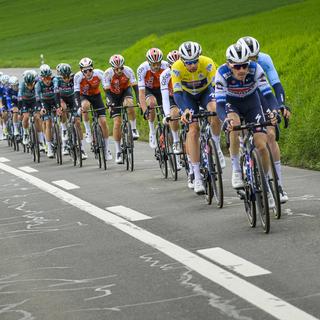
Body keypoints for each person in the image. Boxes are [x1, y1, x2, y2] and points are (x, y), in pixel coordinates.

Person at [215, 42, 279, 208]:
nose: (242, 70)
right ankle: (236, 169)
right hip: (232, 104)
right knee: (234, 125)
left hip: (252, 103)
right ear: (229, 64)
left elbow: (268, 94)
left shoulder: (256, 68)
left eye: (244, 65)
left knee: (261, 145)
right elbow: (220, 105)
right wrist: (225, 120)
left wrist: (274, 111)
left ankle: (265, 185)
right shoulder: (221, 73)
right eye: (237, 67)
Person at [237, 36, 289, 203]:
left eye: (255, 58)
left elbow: (276, 85)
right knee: (242, 130)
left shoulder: (264, 59)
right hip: (242, 96)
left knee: (271, 135)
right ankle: (243, 159)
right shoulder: (236, 64)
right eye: (249, 59)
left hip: (261, 94)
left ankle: (278, 185)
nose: (253, 62)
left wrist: (280, 105)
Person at [171, 41, 224, 194]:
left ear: (199, 57)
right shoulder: (176, 67)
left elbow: (217, 87)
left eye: (195, 61)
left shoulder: (207, 63)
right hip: (187, 96)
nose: (192, 65)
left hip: (205, 92)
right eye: (188, 62)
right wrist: (185, 110)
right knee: (193, 129)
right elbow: (177, 93)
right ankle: (196, 176)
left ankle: (216, 145)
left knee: (214, 110)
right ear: (182, 60)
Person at [103, 54, 139, 164]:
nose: (119, 70)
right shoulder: (107, 74)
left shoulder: (128, 70)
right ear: (112, 67)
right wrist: (110, 103)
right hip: (113, 95)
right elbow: (107, 92)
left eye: (121, 68)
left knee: (130, 104)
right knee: (117, 122)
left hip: (124, 91)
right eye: (116, 69)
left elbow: (135, 88)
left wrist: (138, 100)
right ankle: (118, 151)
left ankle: (133, 129)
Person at [74, 57, 112, 160]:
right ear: (81, 70)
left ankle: (107, 148)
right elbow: (76, 94)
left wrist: (109, 102)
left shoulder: (99, 73)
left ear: (93, 69)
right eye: (85, 70)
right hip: (84, 96)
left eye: (90, 70)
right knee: (85, 106)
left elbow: (107, 90)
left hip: (96, 96)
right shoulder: (77, 77)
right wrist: (78, 107)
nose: (88, 72)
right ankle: (88, 131)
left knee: (103, 122)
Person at [53, 63, 87, 159]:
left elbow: (79, 92)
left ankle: (81, 148)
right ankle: (64, 131)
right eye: (64, 77)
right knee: (63, 108)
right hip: (62, 99)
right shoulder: (57, 80)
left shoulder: (74, 77)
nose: (66, 79)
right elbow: (56, 95)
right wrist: (58, 107)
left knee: (77, 123)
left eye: (68, 76)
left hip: (72, 99)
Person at [137, 48, 169, 148]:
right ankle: (152, 131)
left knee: (167, 114)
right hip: (148, 89)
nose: (156, 66)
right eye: (153, 64)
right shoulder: (142, 69)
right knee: (151, 103)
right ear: (148, 62)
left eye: (158, 63)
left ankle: (165, 135)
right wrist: (144, 109)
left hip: (162, 89)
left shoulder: (166, 66)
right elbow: (141, 92)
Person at [35, 64, 59, 158]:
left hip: (54, 100)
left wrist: (58, 107)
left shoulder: (55, 80)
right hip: (44, 102)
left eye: (49, 77)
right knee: (48, 122)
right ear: (41, 78)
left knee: (60, 115)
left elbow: (57, 93)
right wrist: (41, 108)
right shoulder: (38, 85)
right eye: (45, 78)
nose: (47, 80)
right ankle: (49, 147)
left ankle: (61, 136)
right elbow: (38, 99)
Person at [18, 70, 43, 146]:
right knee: (26, 117)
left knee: (37, 118)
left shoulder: (36, 84)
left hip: (34, 101)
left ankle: (40, 139)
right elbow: (19, 97)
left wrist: (41, 107)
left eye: (31, 84)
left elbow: (39, 96)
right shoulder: (22, 85)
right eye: (27, 85)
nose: (29, 86)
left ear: (34, 82)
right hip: (25, 102)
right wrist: (20, 110)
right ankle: (25, 134)